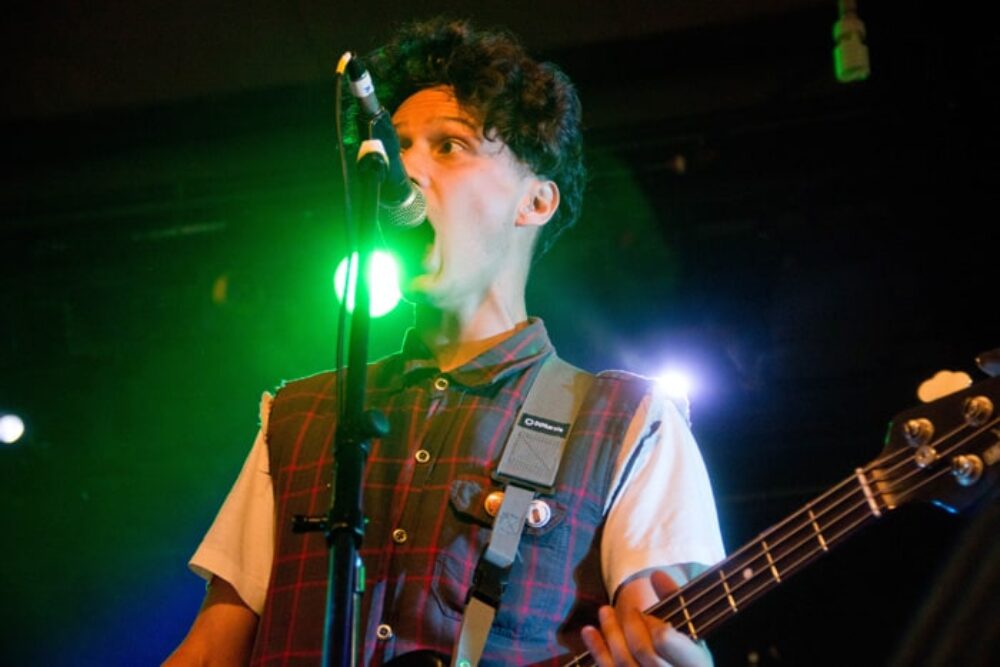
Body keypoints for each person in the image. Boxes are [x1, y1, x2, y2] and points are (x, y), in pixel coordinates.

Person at [164, 16, 725, 667]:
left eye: (449, 146)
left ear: (535, 202)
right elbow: (211, 650)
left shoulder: (625, 422)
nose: (403, 170)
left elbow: (665, 636)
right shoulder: (298, 417)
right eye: (396, 146)